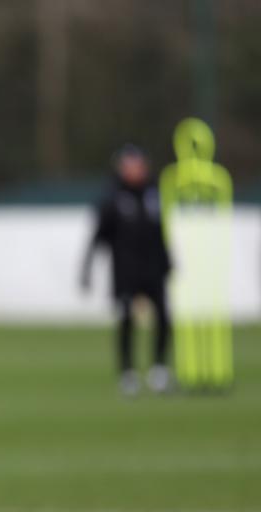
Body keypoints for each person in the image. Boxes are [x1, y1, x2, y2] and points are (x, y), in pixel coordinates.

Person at [81, 144, 173, 395]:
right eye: (130, 166)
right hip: (125, 271)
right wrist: (86, 269)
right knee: (126, 320)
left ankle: (159, 370)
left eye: (139, 165)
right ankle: (127, 372)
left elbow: (160, 233)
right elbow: (98, 236)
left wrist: (167, 261)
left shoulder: (154, 194)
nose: (135, 170)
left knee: (164, 318)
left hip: (153, 268)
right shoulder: (113, 198)